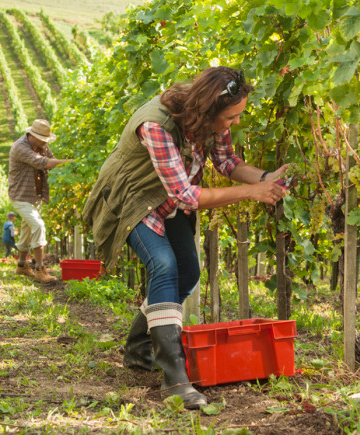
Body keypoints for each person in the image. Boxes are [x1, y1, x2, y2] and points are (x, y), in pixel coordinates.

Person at [82, 66, 288, 409]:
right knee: (163, 265)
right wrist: (252, 192)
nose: (236, 122)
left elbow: (225, 160)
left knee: (188, 274)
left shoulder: (211, 118)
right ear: (209, 109)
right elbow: (185, 196)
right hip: (134, 198)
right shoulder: (155, 124)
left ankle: (137, 349)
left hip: (168, 198)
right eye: (232, 116)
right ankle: (175, 379)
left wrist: (267, 178)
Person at [8, 119, 73, 283]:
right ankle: (40, 269)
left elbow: (51, 159)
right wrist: (70, 163)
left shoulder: (42, 145)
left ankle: (22, 265)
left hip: (36, 195)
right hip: (21, 195)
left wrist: (66, 169)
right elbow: (44, 163)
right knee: (38, 226)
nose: (45, 143)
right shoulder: (20, 147)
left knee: (27, 230)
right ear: (32, 135)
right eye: (42, 139)